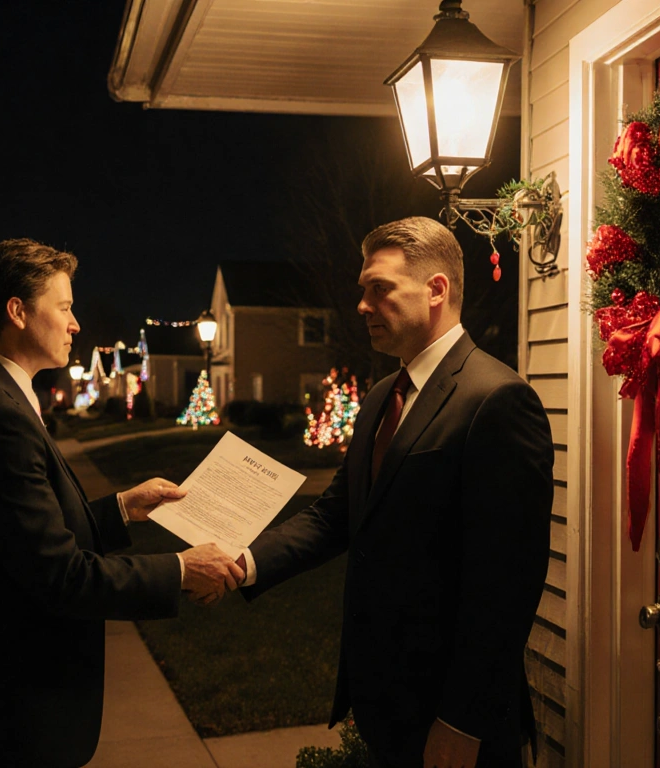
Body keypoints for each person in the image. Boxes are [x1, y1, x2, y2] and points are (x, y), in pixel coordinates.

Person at [0, 238, 244, 767]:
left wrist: (123, 507)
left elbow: (22, 536)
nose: (76, 324)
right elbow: (59, 576)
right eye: (63, 307)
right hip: (3, 714)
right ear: (17, 311)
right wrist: (181, 570)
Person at [237, 217, 554, 768]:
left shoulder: (498, 399)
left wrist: (463, 721)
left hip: (454, 722)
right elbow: (336, 515)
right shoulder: (384, 395)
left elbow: (506, 585)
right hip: (386, 705)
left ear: (436, 289)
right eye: (363, 289)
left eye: (379, 288)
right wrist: (244, 563)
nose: (362, 305)